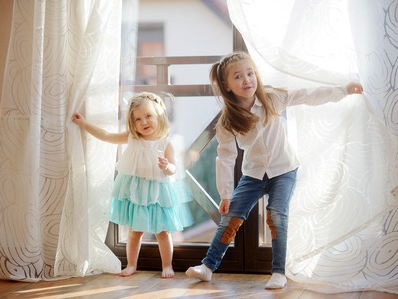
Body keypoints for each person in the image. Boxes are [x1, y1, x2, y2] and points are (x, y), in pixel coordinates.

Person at [185, 51, 363, 289]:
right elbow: (225, 157)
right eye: (238, 77)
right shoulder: (228, 120)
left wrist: (342, 90)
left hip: (283, 170)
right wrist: (225, 193)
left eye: (250, 73)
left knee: (277, 215)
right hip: (253, 174)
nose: (246, 80)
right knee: (231, 218)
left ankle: (278, 271)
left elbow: (306, 95)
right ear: (227, 85)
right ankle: (207, 267)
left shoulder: (272, 98)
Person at [72, 92, 193, 279]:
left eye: (148, 116)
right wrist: (84, 124)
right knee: (134, 232)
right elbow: (106, 135)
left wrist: (167, 166)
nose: (144, 122)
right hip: (135, 191)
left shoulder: (165, 143)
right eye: (138, 119)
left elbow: (174, 169)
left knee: (162, 232)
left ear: (159, 115)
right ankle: (131, 264)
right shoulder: (132, 138)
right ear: (132, 123)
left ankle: (167, 265)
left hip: (158, 193)